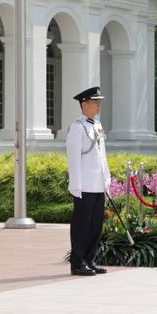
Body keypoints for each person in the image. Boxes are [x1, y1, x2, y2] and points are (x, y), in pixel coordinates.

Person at [66, 86, 111, 277]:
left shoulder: (97, 126)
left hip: (97, 184)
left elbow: (102, 156)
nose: (98, 105)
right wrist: (76, 185)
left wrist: (106, 179)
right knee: (82, 225)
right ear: (84, 104)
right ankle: (78, 262)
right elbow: (73, 159)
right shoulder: (77, 128)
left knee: (95, 225)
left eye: (99, 101)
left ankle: (90, 259)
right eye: (95, 102)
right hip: (84, 185)